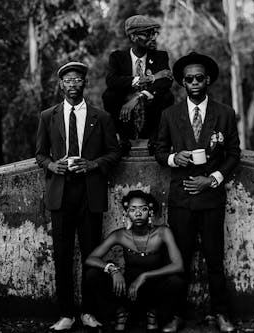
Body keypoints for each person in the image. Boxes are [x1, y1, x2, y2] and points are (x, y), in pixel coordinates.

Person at [154, 52, 241, 332]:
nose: (194, 82)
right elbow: (158, 149)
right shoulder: (169, 115)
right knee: (179, 259)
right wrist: (172, 159)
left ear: (208, 80)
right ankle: (176, 315)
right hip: (181, 199)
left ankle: (222, 314)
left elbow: (233, 154)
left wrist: (213, 179)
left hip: (212, 198)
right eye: (189, 78)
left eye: (199, 78)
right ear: (182, 82)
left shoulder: (225, 114)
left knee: (215, 260)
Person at [35, 61, 121, 331]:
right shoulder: (48, 116)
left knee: (91, 255)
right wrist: (51, 165)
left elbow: (114, 152)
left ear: (85, 83)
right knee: (61, 255)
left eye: (78, 80)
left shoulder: (101, 117)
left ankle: (89, 312)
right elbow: (40, 153)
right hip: (61, 193)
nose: (73, 84)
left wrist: (93, 164)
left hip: (89, 193)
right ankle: (66, 314)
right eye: (68, 80)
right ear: (61, 85)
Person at [84, 190, 185, 332]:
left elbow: (179, 266)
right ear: (127, 213)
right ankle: (120, 313)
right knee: (92, 274)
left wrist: (144, 276)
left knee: (176, 281)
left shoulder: (163, 232)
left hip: (153, 292)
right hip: (128, 292)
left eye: (143, 209)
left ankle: (153, 314)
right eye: (132, 209)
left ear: (150, 212)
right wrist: (113, 270)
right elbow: (90, 259)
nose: (138, 213)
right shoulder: (119, 235)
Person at [102, 14, 175, 156]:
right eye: (148, 34)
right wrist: (149, 78)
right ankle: (123, 140)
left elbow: (166, 81)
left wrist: (138, 97)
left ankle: (155, 141)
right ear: (133, 37)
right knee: (109, 95)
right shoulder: (117, 57)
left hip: (150, 112)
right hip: (125, 117)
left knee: (167, 96)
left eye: (155, 33)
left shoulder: (160, 56)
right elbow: (112, 81)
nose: (153, 38)